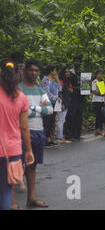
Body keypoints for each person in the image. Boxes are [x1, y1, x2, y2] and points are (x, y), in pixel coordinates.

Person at [18, 58, 53, 208]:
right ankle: (11, 201)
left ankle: (31, 198)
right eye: (31, 70)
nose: (33, 73)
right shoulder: (19, 89)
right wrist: (39, 107)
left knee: (32, 166)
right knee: (16, 166)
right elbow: (20, 113)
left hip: (38, 131)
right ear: (25, 71)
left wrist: (33, 108)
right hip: (21, 132)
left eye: (36, 70)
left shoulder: (40, 90)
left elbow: (50, 110)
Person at [0, 60, 34, 210]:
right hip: (13, 150)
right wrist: (29, 150)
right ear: (17, 75)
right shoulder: (21, 97)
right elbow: (24, 128)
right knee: (6, 190)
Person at [40, 64, 62, 147]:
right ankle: (45, 139)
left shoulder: (52, 80)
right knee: (46, 122)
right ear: (51, 71)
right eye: (55, 70)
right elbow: (46, 93)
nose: (55, 72)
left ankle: (49, 138)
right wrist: (55, 98)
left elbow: (60, 89)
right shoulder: (45, 80)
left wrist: (57, 79)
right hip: (47, 104)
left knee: (51, 121)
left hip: (54, 104)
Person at [65, 56, 85, 141]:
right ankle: (69, 135)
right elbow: (68, 84)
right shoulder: (70, 72)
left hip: (81, 97)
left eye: (78, 61)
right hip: (73, 97)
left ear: (80, 63)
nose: (76, 63)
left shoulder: (83, 73)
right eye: (75, 61)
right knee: (71, 116)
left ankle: (77, 134)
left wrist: (86, 88)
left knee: (79, 116)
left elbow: (86, 85)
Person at [56, 66, 72, 144]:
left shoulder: (67, 81)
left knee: (62, 120)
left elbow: (70, 90)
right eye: (66, 72)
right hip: (62, 102)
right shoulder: (61, 82)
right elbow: (59, 93)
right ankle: (60, 137)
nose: (68, 73)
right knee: (60, 120)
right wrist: (62, 103)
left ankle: (60, 136)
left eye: (68, 72)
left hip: (66, 102)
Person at [92, 70, 105, 137]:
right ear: (96, 75)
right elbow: (93, 91)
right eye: (99, 74)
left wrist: (104, 98)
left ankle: (96, 129)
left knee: (99, 116)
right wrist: (101, 94)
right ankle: (101, 130)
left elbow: (103, 92)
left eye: (101, 74)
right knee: (101, 116)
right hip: (96, 101)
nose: (100, 75)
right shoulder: (94, 82)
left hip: (101, 101)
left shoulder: (101, 82)